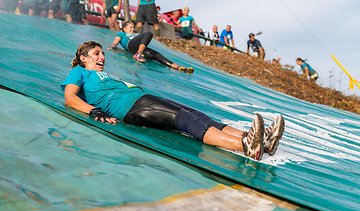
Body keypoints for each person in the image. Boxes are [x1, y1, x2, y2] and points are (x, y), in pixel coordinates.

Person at [61, 41, 286, 161]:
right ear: (83, 58)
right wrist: (93, 111)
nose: (102, 57)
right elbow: (70, 98)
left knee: (201, 116)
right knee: (185, 120)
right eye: (97, 53)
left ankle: (261, 140)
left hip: (140, 98)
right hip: (129, 107)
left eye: (102, 53)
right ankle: (245, 146)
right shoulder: (80, 72)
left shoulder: (104, 74)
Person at [110, 21, 194, 74]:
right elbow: (116, 41)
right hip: (131, 45)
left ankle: (178, 67)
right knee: (149, 33)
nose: (132, 29)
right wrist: (112, 47)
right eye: (130, 28)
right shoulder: (122, 34)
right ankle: (139, 54)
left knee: (157, 55)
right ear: (124, 29)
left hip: (138, 48)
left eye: (133, 28)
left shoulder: (135, 35)